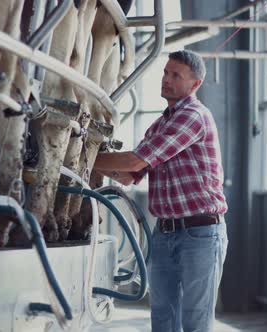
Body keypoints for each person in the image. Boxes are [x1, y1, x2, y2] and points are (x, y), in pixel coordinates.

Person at [93, 50, 228, 332]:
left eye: (175, 75)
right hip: (165, 233)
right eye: (165, 72)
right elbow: (130, 175)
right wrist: (83, 164)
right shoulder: (160, 124)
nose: (166, 79)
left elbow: (134, 160)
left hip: (200, 234)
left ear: (195, 85)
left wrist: (85, 156)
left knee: (195, 322)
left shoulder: (193, 116)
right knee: (163, 321)